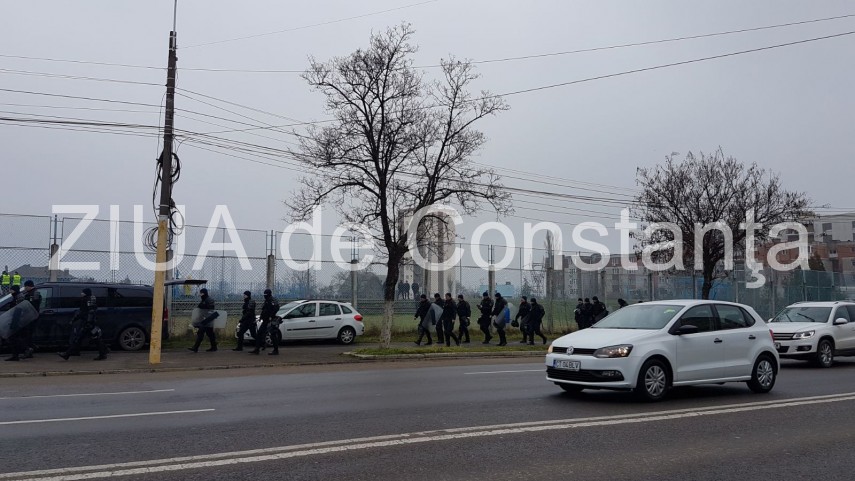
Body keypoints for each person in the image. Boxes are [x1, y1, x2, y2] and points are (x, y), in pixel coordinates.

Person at [58, 288, 108, 361]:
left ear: (85, 293)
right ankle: (104, 352)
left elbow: (87, 312)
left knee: (79, 338)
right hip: (90, 323)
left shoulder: (86, 300)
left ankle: (67, 354)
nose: (81, 293)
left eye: (83, 292)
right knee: (95, 338)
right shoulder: (90, 300)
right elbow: (86, 312)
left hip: (88, 324)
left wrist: (86, 322)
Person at [251, 289, 280, 355]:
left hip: (271, 320)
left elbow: (276, 309)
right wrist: (261, 317)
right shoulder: (266, 301)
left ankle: (276, 350)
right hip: (265, 320)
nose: (265, 296)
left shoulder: (273, 300)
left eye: (266, 295)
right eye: (264, 295)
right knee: (259, 334)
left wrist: (271, 316)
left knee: (273, 334)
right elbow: (264, 310)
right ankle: (257, 349)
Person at [188, 288, 217, 353]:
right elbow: (200, 309)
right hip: (205, 319)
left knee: (201, 333)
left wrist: (203, 306)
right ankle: (214, 347)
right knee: (210, 334)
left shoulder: (209, 300)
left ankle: (195, 347)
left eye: (200, 293)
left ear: (203, 293)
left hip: (208, 319)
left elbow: (210, 309)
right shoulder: (203, 300)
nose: (200, 294)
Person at [19, 280, 40, 359]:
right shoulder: (29, 293)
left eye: (25, 286)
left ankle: (29, 350)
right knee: (27, 335)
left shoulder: (35, 293)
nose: (25, 288)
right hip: (29, 317)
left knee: (27, 335)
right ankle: (30, 349)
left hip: (31, 317)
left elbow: (34, 305)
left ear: (28, 286)